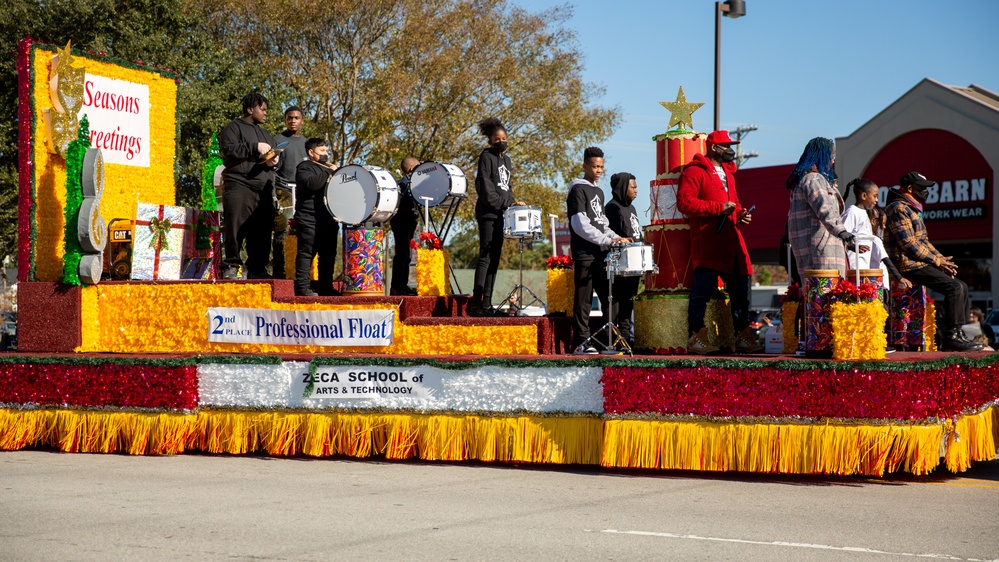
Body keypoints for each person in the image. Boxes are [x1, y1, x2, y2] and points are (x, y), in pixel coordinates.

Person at [676, 130, 759, 354]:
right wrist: (718, 208)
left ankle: (742, 334)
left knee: (741, 289)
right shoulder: (694, 172)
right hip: (708, 241)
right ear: (714, 147)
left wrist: (741, 213)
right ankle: (696, 336)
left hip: (731, 241)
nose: (731, 150)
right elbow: (685, 203)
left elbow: (735, 203)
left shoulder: (729, 175)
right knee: (701, 292)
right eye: (726, 146)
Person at [884, 171, 981, 352]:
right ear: (910, 188)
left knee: (961, 286)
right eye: (922, 188)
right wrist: (936, 261)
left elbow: (924, 241)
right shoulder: (898, 208)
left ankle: (958, 333)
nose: (925, 192)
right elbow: (908, 243)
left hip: (918, 263)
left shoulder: (912, 208)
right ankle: (951, 337)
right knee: (954, 288)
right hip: (906, 265)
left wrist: (941, 259)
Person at [567, 147, 631, 354]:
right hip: (585, 253)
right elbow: (580, 223)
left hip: (602, 255)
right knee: (584, 300)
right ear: (585, 165)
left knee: (609, 298)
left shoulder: (599, 192)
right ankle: (582, 342)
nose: (598, 171)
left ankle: (607, 341)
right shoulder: (577, 189)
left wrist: (615, 238)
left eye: (601, 167)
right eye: (594, 166)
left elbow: (602, 222)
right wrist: (606, 239)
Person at [220, 92, 280, 279]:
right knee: (235, 225)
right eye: (262, 109)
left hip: (263, 188)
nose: (265, 113)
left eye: (266, 110)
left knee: (262, 229)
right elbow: (228, 150)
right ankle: (231, 265)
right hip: (239, 183)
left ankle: (257, 268)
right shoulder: (233, 127)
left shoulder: (267, 134)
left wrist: (274, 161)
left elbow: (274, 158)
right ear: (249, 109)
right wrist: (254, 147)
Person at [471, 117, 523, 316]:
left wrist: (513, 205)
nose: (502, 141)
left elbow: (506, 189)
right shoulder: (486, 157)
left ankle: (487, 303)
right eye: (497, 138)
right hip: (488, 214)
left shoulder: (507, 160)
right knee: (485, 257)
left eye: (504, 137)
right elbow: (485, 188)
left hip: (503, 215)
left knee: (495, 259)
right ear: (490, 140)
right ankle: (477, 304)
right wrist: (505, 204)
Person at [787, 137, 855, 283]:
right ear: (822, 157)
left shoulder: (808, 179)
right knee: (824, 296)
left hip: (821, 246)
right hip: (820, 249)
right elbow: (825, 208)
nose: (832, 162)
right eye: (831, 157)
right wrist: (841, 232)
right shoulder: (813, 179)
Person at [841, 178, 909, 289]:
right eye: (875, 196)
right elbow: (842, 236)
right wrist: (853, 246)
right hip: (855, 268)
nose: (877, 200)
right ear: (863, 196)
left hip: (864, 269)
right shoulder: (852, 212)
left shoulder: (864, 214)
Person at [293, 138, 340, 297]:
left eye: (327, 151)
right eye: (322, 151)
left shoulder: (329, 168)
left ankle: (326, 287)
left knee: (328, 254)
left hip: (328, 218)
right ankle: (303, 287)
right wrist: (330, 171)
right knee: (307, 252)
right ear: (311, 153)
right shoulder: (305, 167)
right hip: (309, 217)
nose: (326, 154)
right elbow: (312, 184)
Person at [604, 172, 642, 345]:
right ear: (622, 188)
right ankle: (619, 337)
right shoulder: (612, 208)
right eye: (633, 187)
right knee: (620, 300)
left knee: (629, 300)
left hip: (634, 261)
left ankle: (627, 336)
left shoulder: (631, 208)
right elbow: (615, 236)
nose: (636, 190)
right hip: (621, 263)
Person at [271, 106, 309, 279]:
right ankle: (279, 270)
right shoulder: (278, 140)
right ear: (285, 119)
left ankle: (300, 272)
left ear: (302, 120)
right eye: (289, 118)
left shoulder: (307, 143)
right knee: (282, 230)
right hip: (283, 191)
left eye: (296, 118)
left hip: (302, 193)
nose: (293, 121)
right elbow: (271, 167)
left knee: (303, 232)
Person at [390, 157, 421, 296]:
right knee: (402, 254)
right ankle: (397, 287)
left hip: (409, 221)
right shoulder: (403, 184)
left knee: (406, 254)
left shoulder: (413, 184)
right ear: (411, 169)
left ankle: (403, 285)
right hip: (401, 222)